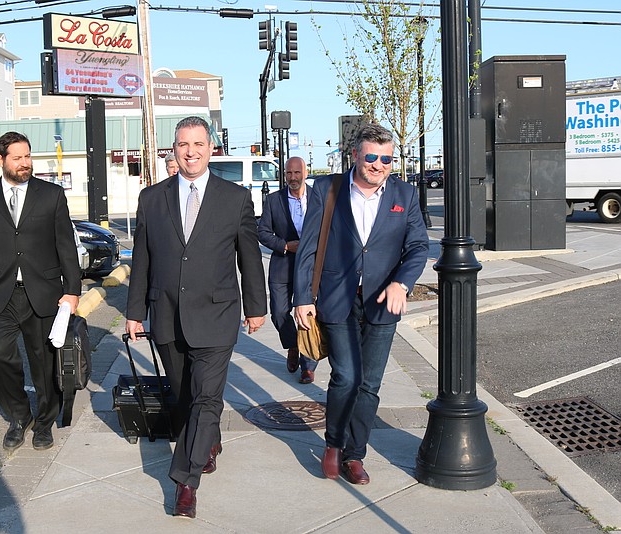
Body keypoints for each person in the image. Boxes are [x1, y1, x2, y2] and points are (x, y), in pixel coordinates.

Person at [126, 116, 266, 519]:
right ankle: (208, 440)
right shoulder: (152, 199)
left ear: (211, 148)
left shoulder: (235, 198)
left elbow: (249, 258)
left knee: (207, 397)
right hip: (167, 314)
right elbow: (143, 259)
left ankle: (185, 482)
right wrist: (136, 312)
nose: (191, 151)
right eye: (183, 144)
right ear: (174, 148)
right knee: (186, 396)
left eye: (198, 144)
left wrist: (256, 306)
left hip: (217, 314)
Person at [293, 123, 428, 486]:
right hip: (338, 299)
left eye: (386, 158)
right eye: (371, 157)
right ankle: (333, 444)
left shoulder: (405, 193)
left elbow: (418, 246)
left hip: (383, 302)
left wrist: (403, 282)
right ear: (356, 155)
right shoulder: (326, 189)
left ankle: (356, 454)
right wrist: (303, 298)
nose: (378, 164)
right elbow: (307, 248)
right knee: (346, 377)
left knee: (369, 385)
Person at [0, 131, 81, 453]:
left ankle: (44, 423)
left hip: (43, 292)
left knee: (44, 363)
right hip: (1, 293)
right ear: (1, 160)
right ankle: (19, 416)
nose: (25, 163)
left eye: (27, 156)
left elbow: (65, 244)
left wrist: (72, 290)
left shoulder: (51, 195)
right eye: (17, 158)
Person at [258, 156, 318, 384]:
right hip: (282, 267)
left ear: (305, 172)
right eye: (289, 173)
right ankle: (293, 345)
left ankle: (308, 365)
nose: (293, 178)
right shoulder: (274, 200)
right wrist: (284, 245)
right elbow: (262, 231)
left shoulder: (318, 198)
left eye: (297, 173)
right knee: (279, 313)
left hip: (311, 269)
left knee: (308, 317)